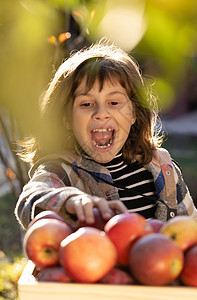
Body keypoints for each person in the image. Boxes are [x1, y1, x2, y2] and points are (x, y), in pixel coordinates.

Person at [15, 40, 197, 230]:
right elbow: (31, 200)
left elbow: (190, 228)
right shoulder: (62, 171)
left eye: (114, 102)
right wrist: (69, 200)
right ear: (66, 120)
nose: (101, 113)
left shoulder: (162, 167)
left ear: (134, 112)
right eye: (86, 104)